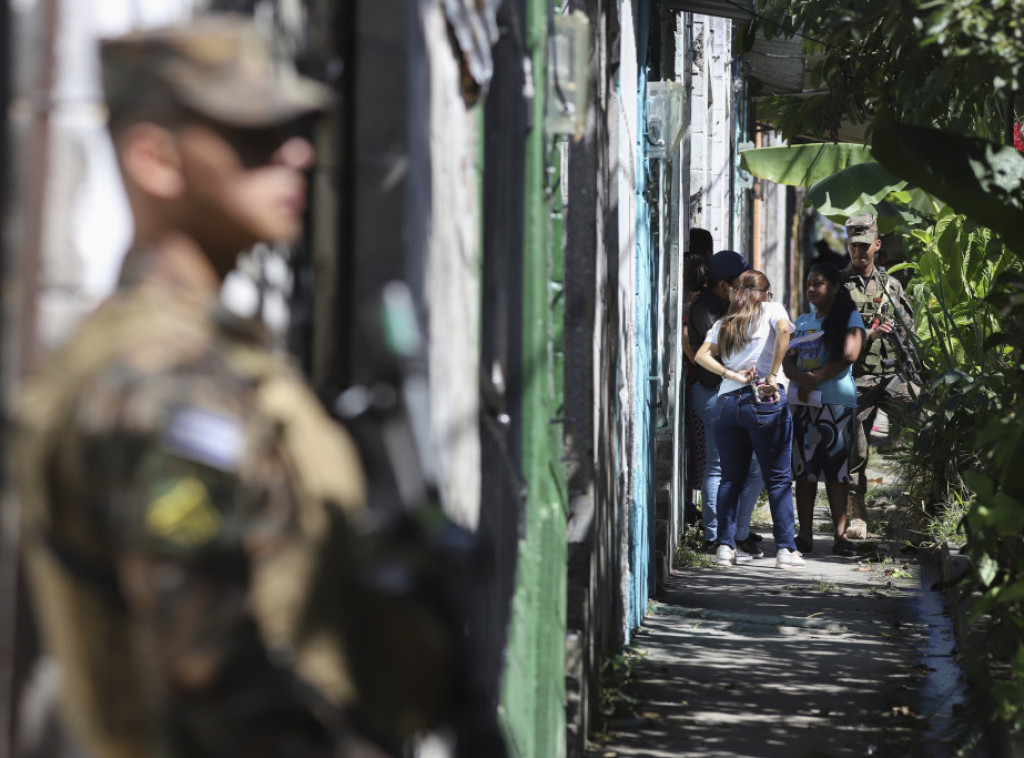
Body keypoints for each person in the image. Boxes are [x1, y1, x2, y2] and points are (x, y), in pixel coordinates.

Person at [15, 17, 394, 758]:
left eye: (295, 132)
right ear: (155, 158)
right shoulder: (165, 382)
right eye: (252, 137)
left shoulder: (195, 353)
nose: (296, 155)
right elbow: (208, 672)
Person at [695, 270, 803, 569]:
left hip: (727, 402)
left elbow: (702, 356)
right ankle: (785, 549)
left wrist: (730, 374)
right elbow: (784, 330)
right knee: (778, 478)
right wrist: (771, 375)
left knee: (731, 477)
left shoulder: (725, 321)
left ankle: (725, 547)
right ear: (764, 292)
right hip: (763, 398)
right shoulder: (771, 308)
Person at [782, 263, 866, 556]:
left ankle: (840, 536)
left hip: (834, 403)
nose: (811, 289)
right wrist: (800, 378)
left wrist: (815, 378)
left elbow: (849, 355)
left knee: (835, 470)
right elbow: (786, 359)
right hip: (803, 402)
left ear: (833, 287)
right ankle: (804, 535)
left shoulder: (849, 317)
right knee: (803, 469)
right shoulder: (803, 321)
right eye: (808, 283)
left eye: (818, 283)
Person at [840, 214, 915, 539]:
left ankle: (922, 507)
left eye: (864, 245)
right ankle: (858, 516)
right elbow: (826, 331)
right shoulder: (838, 286)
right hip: (857, 379)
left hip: (893, 375)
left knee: (924, 427)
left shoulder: (892, 285)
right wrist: (866, 335)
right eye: (853, 245)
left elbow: (909, 326)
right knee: (855, 451)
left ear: (877, 245)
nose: (859, 252)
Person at [687, 251, 766, 558]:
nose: (746, 288)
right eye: (740, 283)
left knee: (754, 466)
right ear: (723, 284)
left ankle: (737, 533)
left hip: (736, 392)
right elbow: (721, 353)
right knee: (718, 466)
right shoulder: (706, 308)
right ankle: (714, 537)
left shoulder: (723, 305)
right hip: (714, 393)